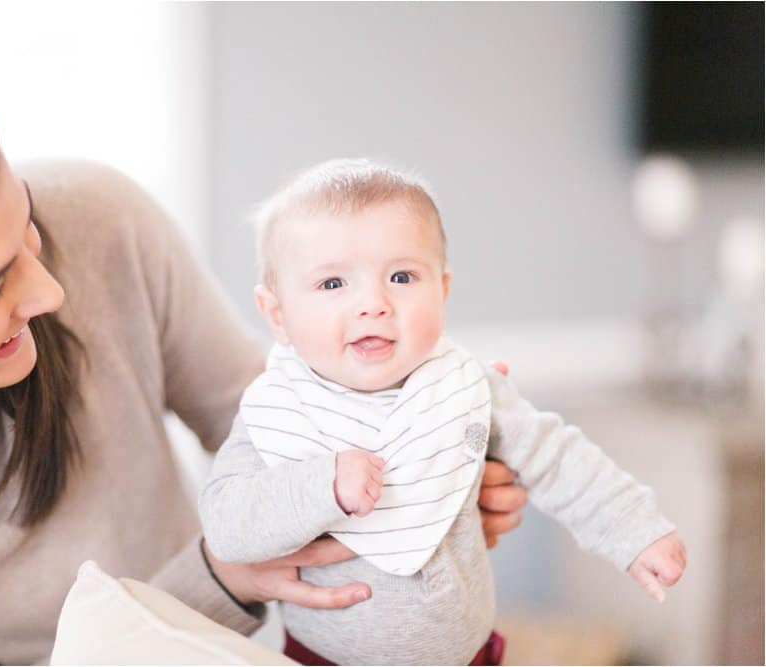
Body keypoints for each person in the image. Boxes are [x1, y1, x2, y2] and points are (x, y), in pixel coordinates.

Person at [0, 59, 528, 665]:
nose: (51, 289)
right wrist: (218, 576)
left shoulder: (101, 218)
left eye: (26, 225)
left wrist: (411, 469)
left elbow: (268, 415)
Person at [198, 158, 688, 666]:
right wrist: (323, 485)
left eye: (402, 276)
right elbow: (228, 523)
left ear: (443, 290)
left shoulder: (464, 386)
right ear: (277, 315)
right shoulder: (280, 410)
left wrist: (636, 530)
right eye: (332, 284)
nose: (373, 303)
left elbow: (558, 458)